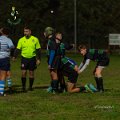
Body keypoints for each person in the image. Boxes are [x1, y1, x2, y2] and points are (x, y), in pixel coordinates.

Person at [13, 26, 41, 92]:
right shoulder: (21, 40)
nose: (25, 33)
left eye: (26, 31)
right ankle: (23, 87)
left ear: (30, 32)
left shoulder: (35, 39)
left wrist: (38, 59)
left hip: (32, 58)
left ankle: (30, 87)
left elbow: (38, 50)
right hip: (24, 58)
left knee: (31, 73)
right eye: (24, 31)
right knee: (23, 72)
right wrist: (14, 56)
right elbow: (17, 49)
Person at [44, 27, 60, 93]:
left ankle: (55, 90)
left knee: (54, 73)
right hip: (52, 59)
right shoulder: (50, 40)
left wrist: (50, 63)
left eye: (45, 32)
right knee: (52, 73)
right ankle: (53, 87)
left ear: (48, 32)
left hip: (54, 60)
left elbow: (53, 52)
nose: (44, 33)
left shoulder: (52, 40)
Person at [0, 27, 14, 96]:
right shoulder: (8, 40)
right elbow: (12, 47)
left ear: (2, 32)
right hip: (4, 58)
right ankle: (1, 92)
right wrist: (10, 52)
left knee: (6, 72)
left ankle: (9, 86)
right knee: (3, 74)